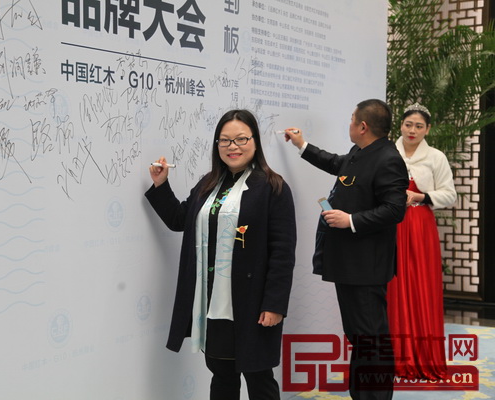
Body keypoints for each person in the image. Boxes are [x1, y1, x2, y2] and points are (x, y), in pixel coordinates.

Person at [145, 109, 296, 400]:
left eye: (241, 139)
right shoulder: (208, 184)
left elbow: (283, 252)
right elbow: (179, 219)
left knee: (259, 378)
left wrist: (275, 304)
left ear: (255, 142)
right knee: (222, 374)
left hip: (253, 303)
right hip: (212, 301)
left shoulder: (273, 186)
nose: (232, 147)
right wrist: (161, 185)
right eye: (225, 140)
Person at [282, 99, 408, 400]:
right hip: (350, 263)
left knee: (370, 338)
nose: (349, 123)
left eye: (352, 119)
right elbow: (336, 163)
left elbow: (395, 209)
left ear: (363, 126)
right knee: (360, 336)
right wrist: (302, 145)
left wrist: (350, 220)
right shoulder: (361, 152)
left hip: (366, 267)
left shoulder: (388, 159)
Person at [386, 103, 456, 380]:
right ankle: (393, 357)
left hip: (420, 226)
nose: (412, 130)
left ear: (427, 129)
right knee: (392, 285)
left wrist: (421, 197)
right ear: (400, 125)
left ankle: (424, 357)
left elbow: (449, 194)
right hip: (390, 223)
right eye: (408, 124)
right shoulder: (387, 152)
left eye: (418, 126)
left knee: (422, 285)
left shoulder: (436, 157)